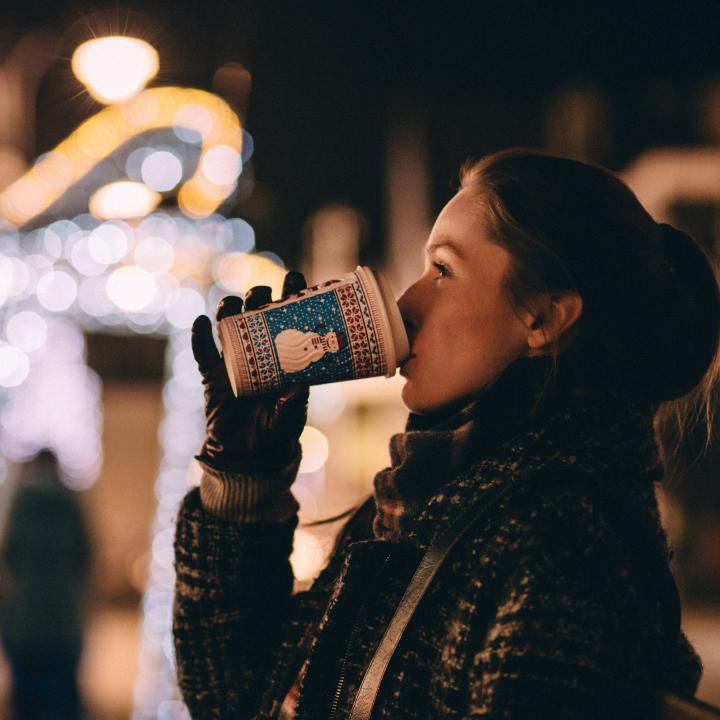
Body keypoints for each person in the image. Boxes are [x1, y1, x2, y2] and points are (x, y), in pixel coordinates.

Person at [173, 149, 720, 719]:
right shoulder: (421, 501)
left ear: (544, 319)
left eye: (443, 270)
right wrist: (244, 478)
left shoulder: (560, 541)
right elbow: (234, 697)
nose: (407, 304)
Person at [0, 449, 92, 720]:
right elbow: (84, 555)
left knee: (28, 697)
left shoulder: (23, 504)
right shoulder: (70, 504)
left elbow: (10, 554)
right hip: (62, 619)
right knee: (61, 697)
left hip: (27, 618)